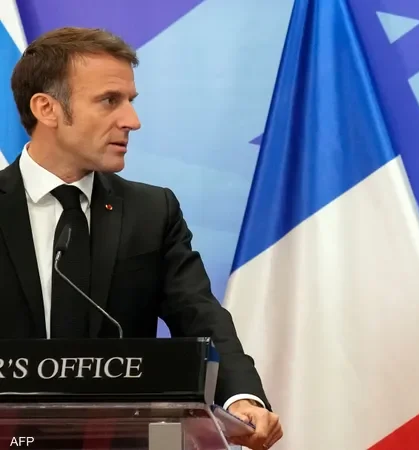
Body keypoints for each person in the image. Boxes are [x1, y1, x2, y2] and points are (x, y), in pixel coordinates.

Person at [0, 27, 281, 449]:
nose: (132, 120)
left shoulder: (152, 212)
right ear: (47, 108)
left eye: (130, 101)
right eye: (109, 100)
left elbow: (199, 314)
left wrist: (240, 397)